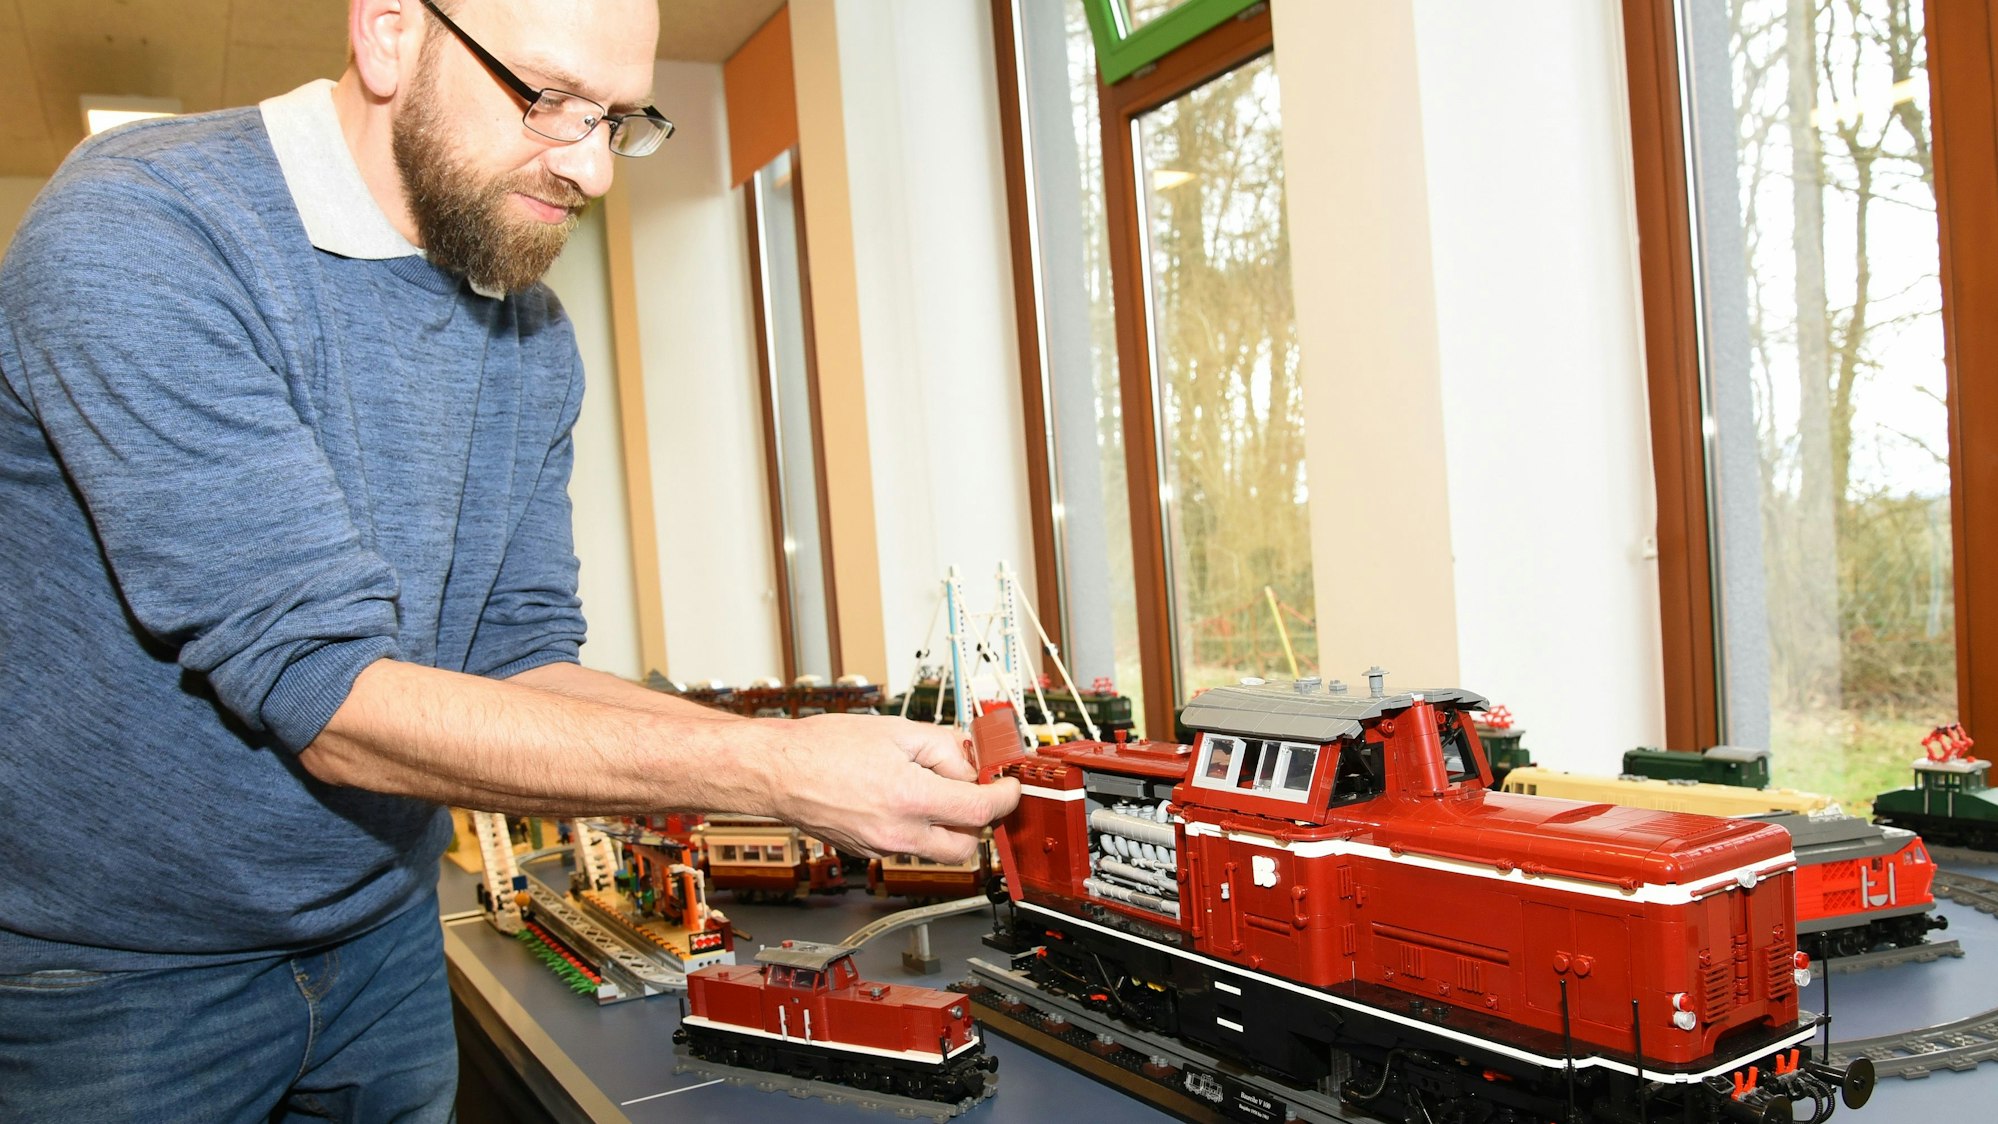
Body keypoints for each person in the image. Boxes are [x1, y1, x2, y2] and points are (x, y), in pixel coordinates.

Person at [0, 0, 1020, 1118]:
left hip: (380, 936)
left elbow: (518, 659)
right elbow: (328, 695)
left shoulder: (529, 333)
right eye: (550, 99)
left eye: (617, 120)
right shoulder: (145, 231)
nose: (594, 167)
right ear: (389, 34)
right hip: (114, 978)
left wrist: (805, 752)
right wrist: (775, 775)